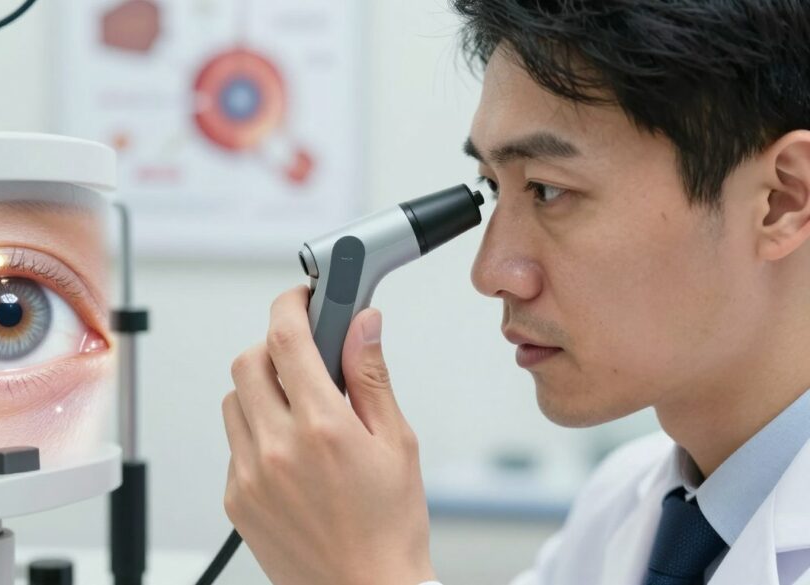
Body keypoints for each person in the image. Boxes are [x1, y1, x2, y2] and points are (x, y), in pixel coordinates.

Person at [219, 1, 810, 583]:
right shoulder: (620, 505)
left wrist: (367, 572)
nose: (490, 273)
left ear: (782, 199)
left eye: (549, 190)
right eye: (494, 187)